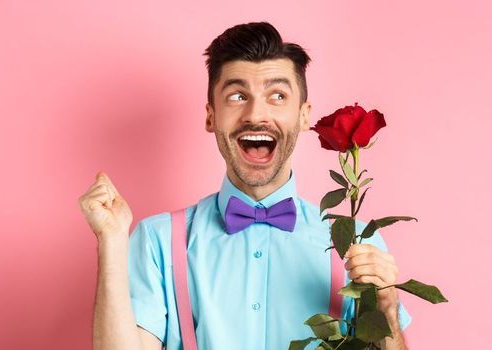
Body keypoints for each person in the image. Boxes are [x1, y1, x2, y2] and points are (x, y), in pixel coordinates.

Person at [77, 21, 411, 350]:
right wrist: (111, 241)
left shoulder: (356, 242)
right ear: (211, 116)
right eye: (237, 96)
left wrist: (385, 307)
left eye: (277, 95)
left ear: (304, 115)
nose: (256, 114)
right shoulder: (157, 241)